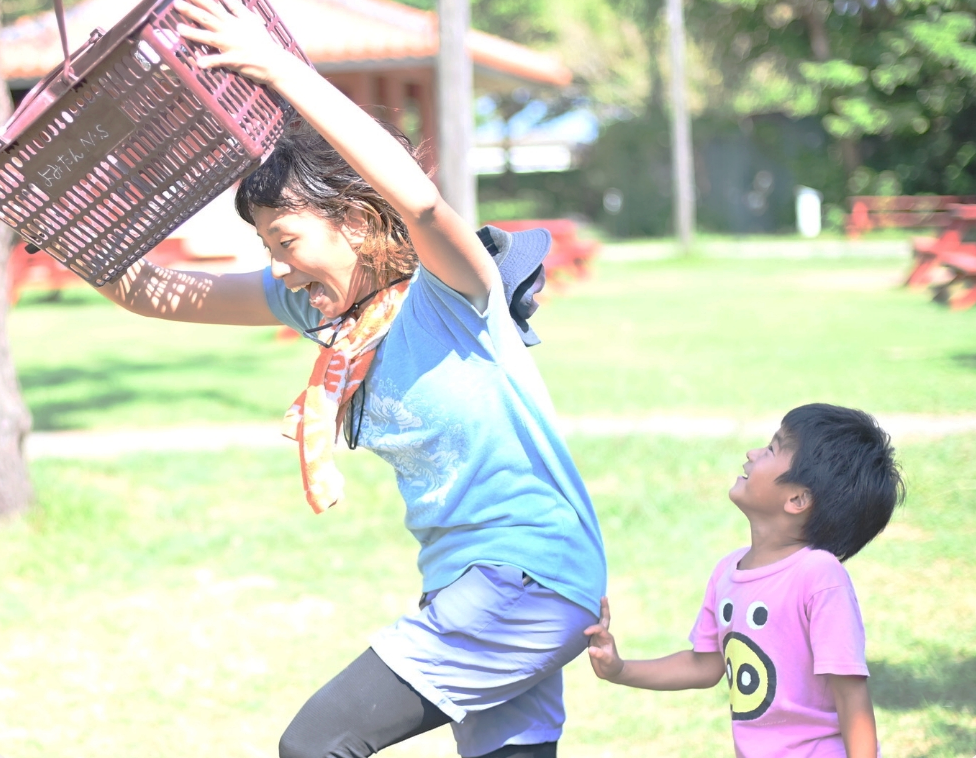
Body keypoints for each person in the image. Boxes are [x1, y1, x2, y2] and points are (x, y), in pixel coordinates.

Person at [91, 1, 607, 757]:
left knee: (314, 745)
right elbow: (154, 293)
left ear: (358, 223)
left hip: (518, 582)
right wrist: (64, 225)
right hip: (493, 585)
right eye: (266, 243)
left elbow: (419, 200)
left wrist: (278, 70)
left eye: (288, 239)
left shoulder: (455, 294)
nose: (276, 263)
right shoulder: (323, 309)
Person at [586, 403, 905, 758]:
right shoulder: (728, 571)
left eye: (772, 448)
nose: (752, 453)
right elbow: (704, 665)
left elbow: (851, 694)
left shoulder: (819, 576)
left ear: (798, 499)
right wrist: (620, 669)